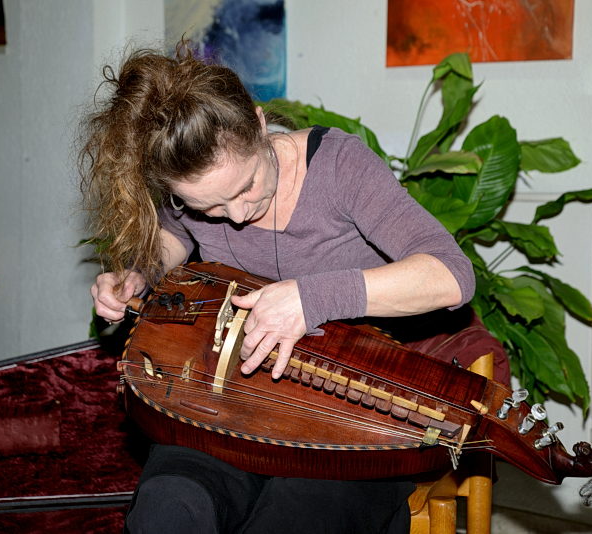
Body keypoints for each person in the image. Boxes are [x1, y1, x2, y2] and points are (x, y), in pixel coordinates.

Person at [80, 46, 505, 534]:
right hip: (233, 397)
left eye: (245, 187)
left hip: (353, 405)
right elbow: (174, 234)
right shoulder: (192, 189)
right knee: (168, 509)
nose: (237, 215)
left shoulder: (340, 167)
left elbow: (451, 276)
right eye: (209, 207)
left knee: (291, 519)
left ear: (259, 125)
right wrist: (138, 274)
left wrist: (311, 298)